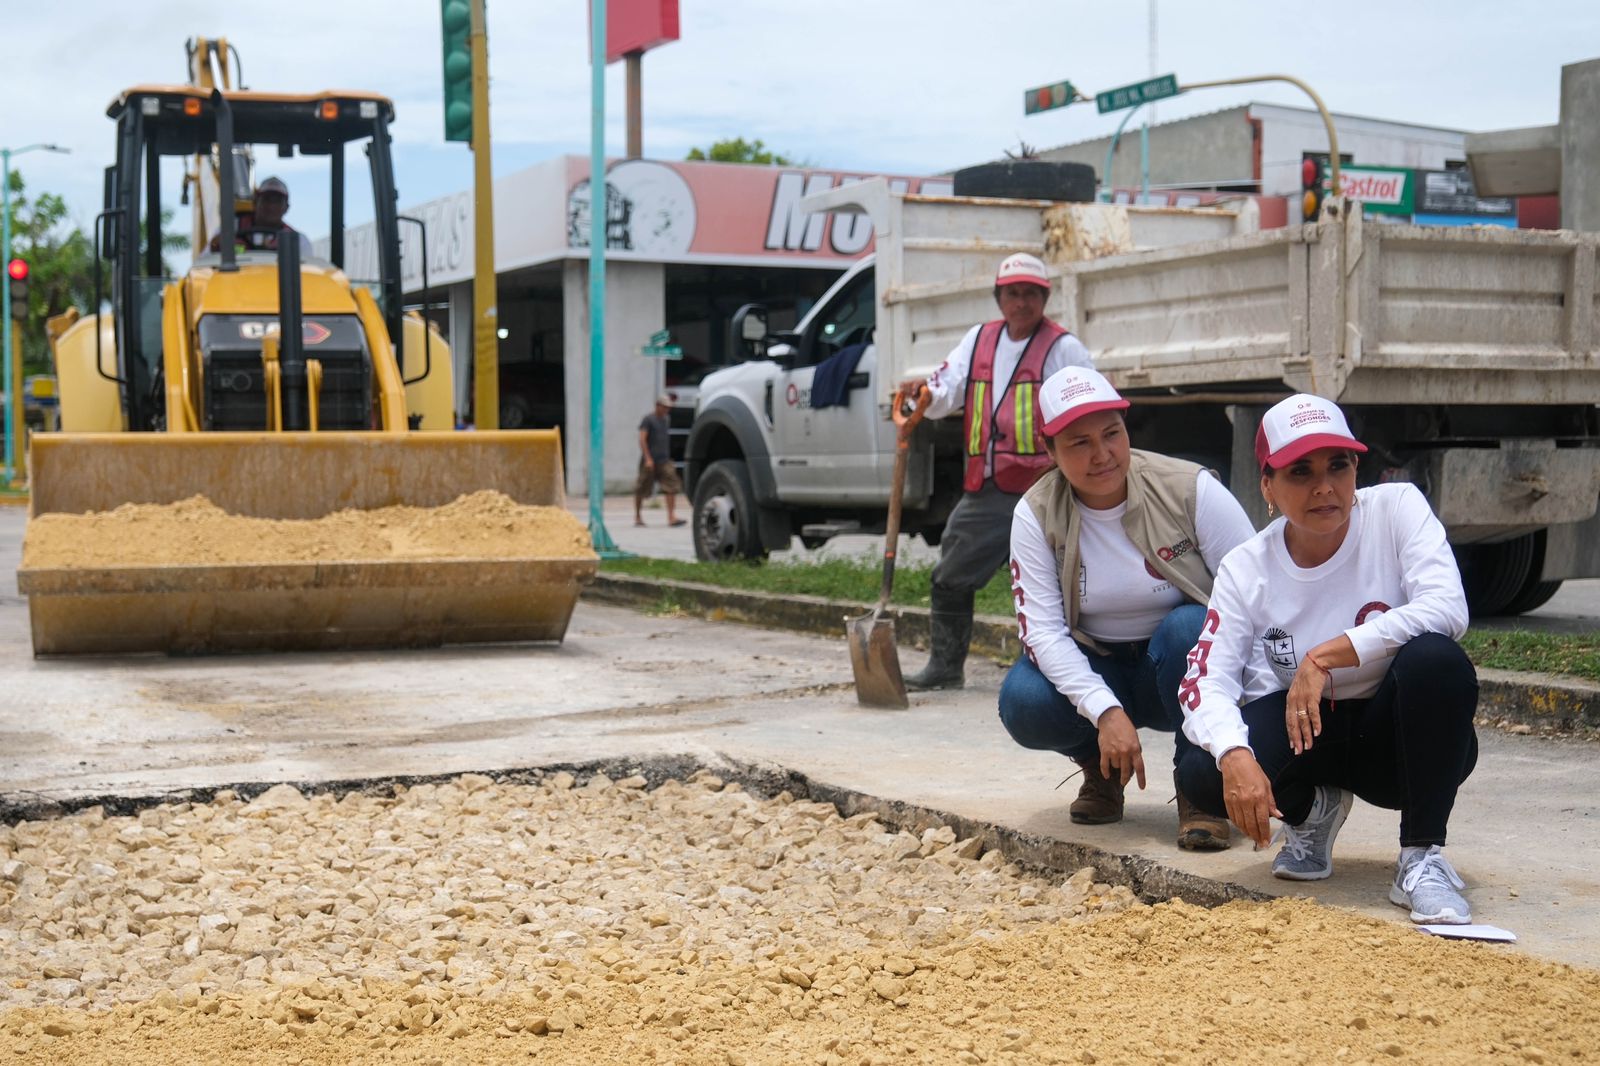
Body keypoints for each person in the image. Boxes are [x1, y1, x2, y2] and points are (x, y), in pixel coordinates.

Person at [1175, 394, 1479, 923]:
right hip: (1310, 736)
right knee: (1205, 769)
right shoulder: (1248, 566)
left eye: (1338, 465)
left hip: (1399, 743)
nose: (1325, 486)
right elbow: (1205, 681)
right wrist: (1235, 757)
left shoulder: (1397, 509)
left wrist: (1326, 655)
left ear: (1357, 468)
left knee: (1437, 660)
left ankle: (1422, 858)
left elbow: (1448, 607)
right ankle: (1313, 813)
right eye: (1301, 471)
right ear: (1267, 486)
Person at [998, 366, 1255, 849]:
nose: (1102, 455)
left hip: (1179, 669)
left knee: (1189, 626)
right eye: (1079, 443)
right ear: (1050, 452)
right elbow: (1043, 633)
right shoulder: (1035, 514)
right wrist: (1104, 712)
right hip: (1100, 666)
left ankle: (1200, 789)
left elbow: (1256, 592)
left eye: (1111, 434)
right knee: (1024, 700)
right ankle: (1102, 767)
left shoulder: (1188, 488)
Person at [895, 252, 1094, 691]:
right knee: (950, 572)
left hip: (1046, 490)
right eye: (1012, 294)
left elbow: (1091, 411)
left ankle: (1067, 672)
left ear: (1044, 298)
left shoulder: (1065, 348)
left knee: (1061, 585)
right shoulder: (979, 340)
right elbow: (946, 390)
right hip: (987, 488)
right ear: (999, 298)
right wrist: (923, 395)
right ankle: (945, 667)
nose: (1020, 302)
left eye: (1030, 294)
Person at [209, 176, 314, 256]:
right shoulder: (230, 230)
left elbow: (307, 274)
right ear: (255, 203)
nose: (271, 206)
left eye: (277, 201)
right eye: (266, 199)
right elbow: (206, 261)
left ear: (286, 207)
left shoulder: (298, 241)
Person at [635, 394, 685, 527]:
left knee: (671, 486)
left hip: (664, 460)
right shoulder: (648, 420)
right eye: (664, 407)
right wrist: (648, 458)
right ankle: (638, 516)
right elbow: (642, 439)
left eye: (668, 408)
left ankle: (671, 517)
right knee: (641, 488)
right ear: (657, 406)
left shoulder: (666, 420)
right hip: (650, 460)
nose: (666, 410)